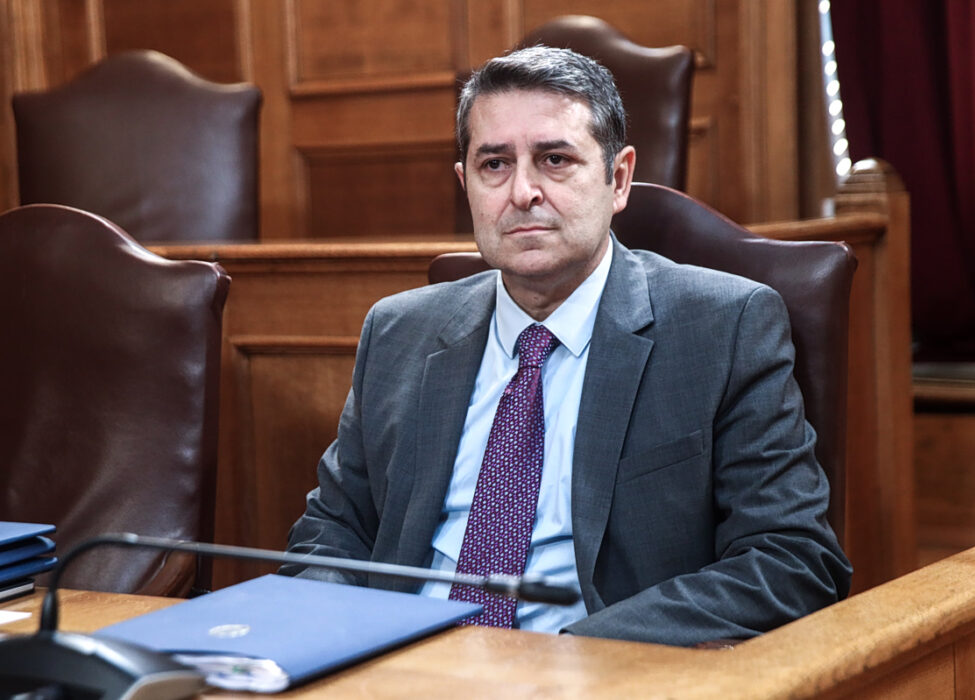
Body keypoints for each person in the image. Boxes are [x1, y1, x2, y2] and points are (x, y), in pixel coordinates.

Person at [283, 45, 852, 646]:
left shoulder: (722, 328)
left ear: (618, 179)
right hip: (404, 666)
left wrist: (578, 656)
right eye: (495, 164)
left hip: (599, 665)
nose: (522, 191)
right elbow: (332, 532)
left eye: (555, 160)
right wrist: (334, 642)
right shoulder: (399, 331)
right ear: (466, 185)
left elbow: (790, 559)